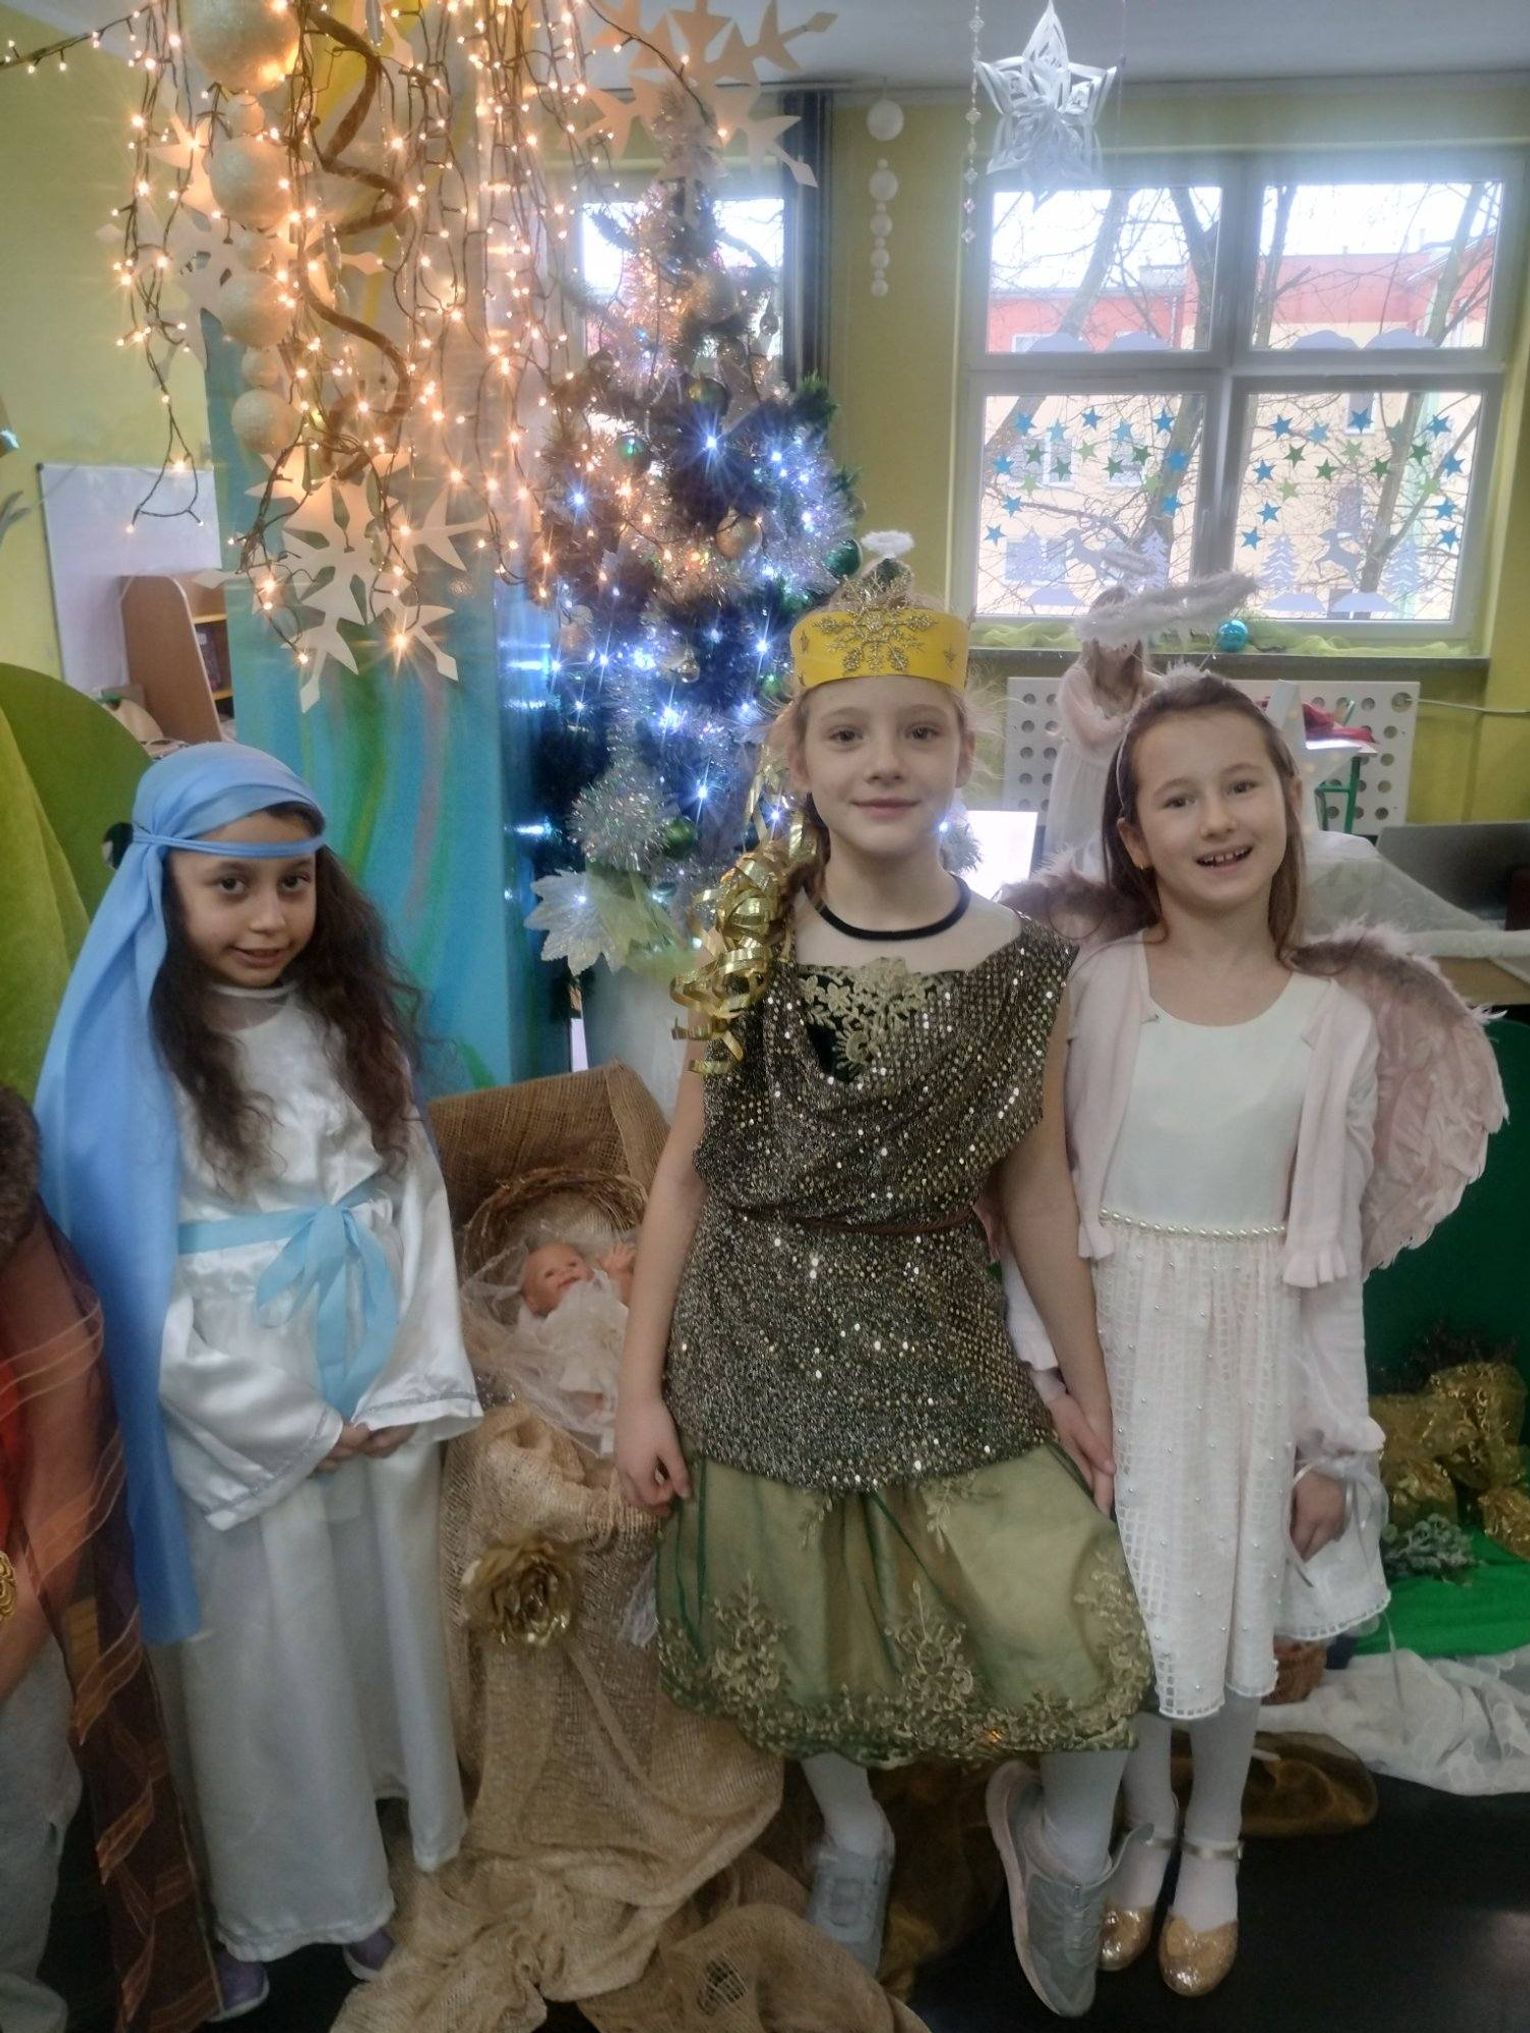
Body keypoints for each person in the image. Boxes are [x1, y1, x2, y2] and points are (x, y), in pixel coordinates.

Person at [614, 559, 1153, 2021]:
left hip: (933, 1327)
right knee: (797, 1627)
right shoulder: (747, 939)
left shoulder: (1024, 968)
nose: (883, 762)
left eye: (918, 731)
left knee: (1073, 1608)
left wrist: (1084, 1389)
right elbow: (683, 1179)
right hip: (755, 1329)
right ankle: (849, 1828)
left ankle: (1063, 1841)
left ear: (961, 750)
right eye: (846, 733)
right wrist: (637, 1390)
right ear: (796, 754)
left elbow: (1033, 1193)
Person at [1003, 674, 1504, 1997]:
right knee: (1118, 1622)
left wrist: (1330, 1444)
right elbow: (1043, 1191)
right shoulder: (1098, 985)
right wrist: (1047, 1370)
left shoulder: (1333, 1025)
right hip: (1113, 1354)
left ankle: (1212, 1837)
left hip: (1246, 1367)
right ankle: (1141, 1826)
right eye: (1177, 798)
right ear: (1133, 836)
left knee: (1232, 1615)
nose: (1215, 818)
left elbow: (1324, 1269)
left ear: (1288, 801)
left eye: (1240, 785)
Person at [34, 744, 481, 2021]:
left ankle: (371, 1875)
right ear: (164, 887)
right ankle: (267, 1900)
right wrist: (283, 1420)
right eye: (229, 885)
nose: (269, 916)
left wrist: (405, 1381)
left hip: (374, 1382)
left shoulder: (353, 1025)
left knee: (372, 1640)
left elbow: (413, 1199)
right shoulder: (133, 1055)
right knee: (259, 1675)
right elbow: (123, 1278)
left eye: (292, 881)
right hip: (233, 1414)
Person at [1046, 585, 1158, 864]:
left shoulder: (1139, 679)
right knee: (1080, 855)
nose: (1121, 639)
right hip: (1084, 783)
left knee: (1118, 854)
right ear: (1094, 634)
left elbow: (1178, 688)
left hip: (1120, 777)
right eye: (1112, 629)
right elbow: (1093, 735)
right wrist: (1134, 713)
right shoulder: (1077, 679)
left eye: (1129, 630)